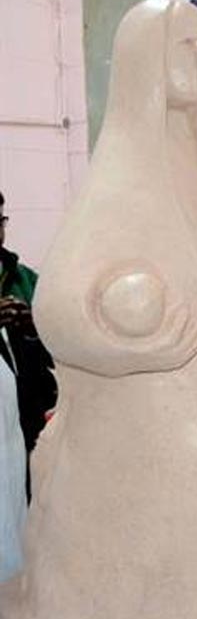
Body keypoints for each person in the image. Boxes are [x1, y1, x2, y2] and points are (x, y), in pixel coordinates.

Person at [5, 0, 197, 619]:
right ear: (145, 64)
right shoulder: (119, 172)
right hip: (141, 421)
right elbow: (58, 309)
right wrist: (134, 345)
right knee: (148, 559)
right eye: (187, 46)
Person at [0, 190, 57, 581]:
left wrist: (34, 324)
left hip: (25, 426)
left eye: (0, 220)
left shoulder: (23, 278)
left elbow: (59, 343)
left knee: (26, 522)